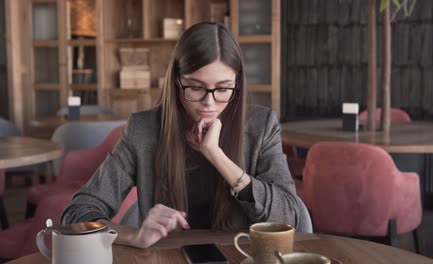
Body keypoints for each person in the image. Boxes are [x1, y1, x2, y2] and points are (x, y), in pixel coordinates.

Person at [61, 22, 301, 248]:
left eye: (223, 88)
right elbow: (77, 214)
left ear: (237, 84)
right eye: (196, 87)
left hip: (241, 256)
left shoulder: (262, 126)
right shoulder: (143, 130)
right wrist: (134, 235)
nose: (209, 102)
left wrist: (217, 156)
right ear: (177, 81)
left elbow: (290, 217)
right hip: (165, 256)